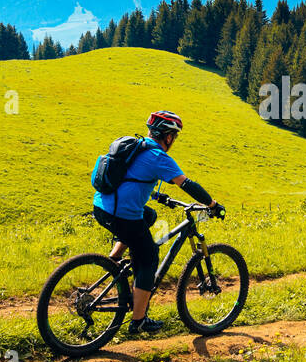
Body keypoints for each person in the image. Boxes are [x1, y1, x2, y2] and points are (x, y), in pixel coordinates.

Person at [92, 111, 222, 334]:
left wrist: (157, 196)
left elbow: (132, 178)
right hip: (121, 214)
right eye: (174, 137)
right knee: (149, 258)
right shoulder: (159, 157)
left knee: (149, 216)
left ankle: (114, 258)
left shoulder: (138, 146)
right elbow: (187, 184)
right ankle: (139, 320)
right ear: (169, 137)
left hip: (102, 207)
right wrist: (212, 204)